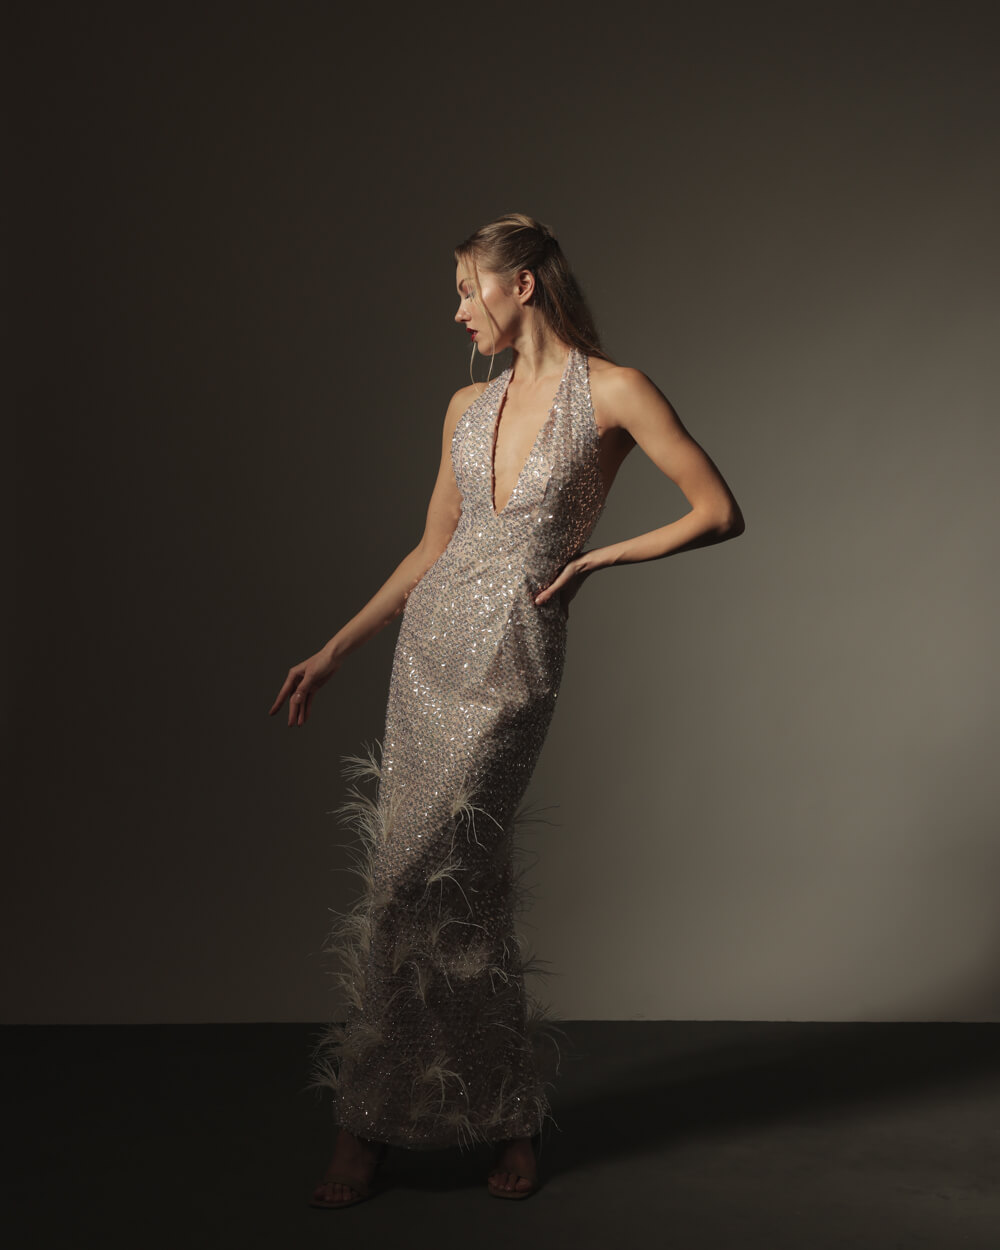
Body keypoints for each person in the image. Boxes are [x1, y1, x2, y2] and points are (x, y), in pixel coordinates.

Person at [269, 212, 745, 1207]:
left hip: (512, 658)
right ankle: (420, 1119)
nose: (456, 312)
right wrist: (335, 649)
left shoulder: (614, 390)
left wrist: (595, 559)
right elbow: (431, 546)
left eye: (465, 289)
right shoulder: (464, 405)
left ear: (520, 285)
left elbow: (717, 511)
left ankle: (415, 1120)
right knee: (419, 887)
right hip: (427, 653)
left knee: (441, 877)